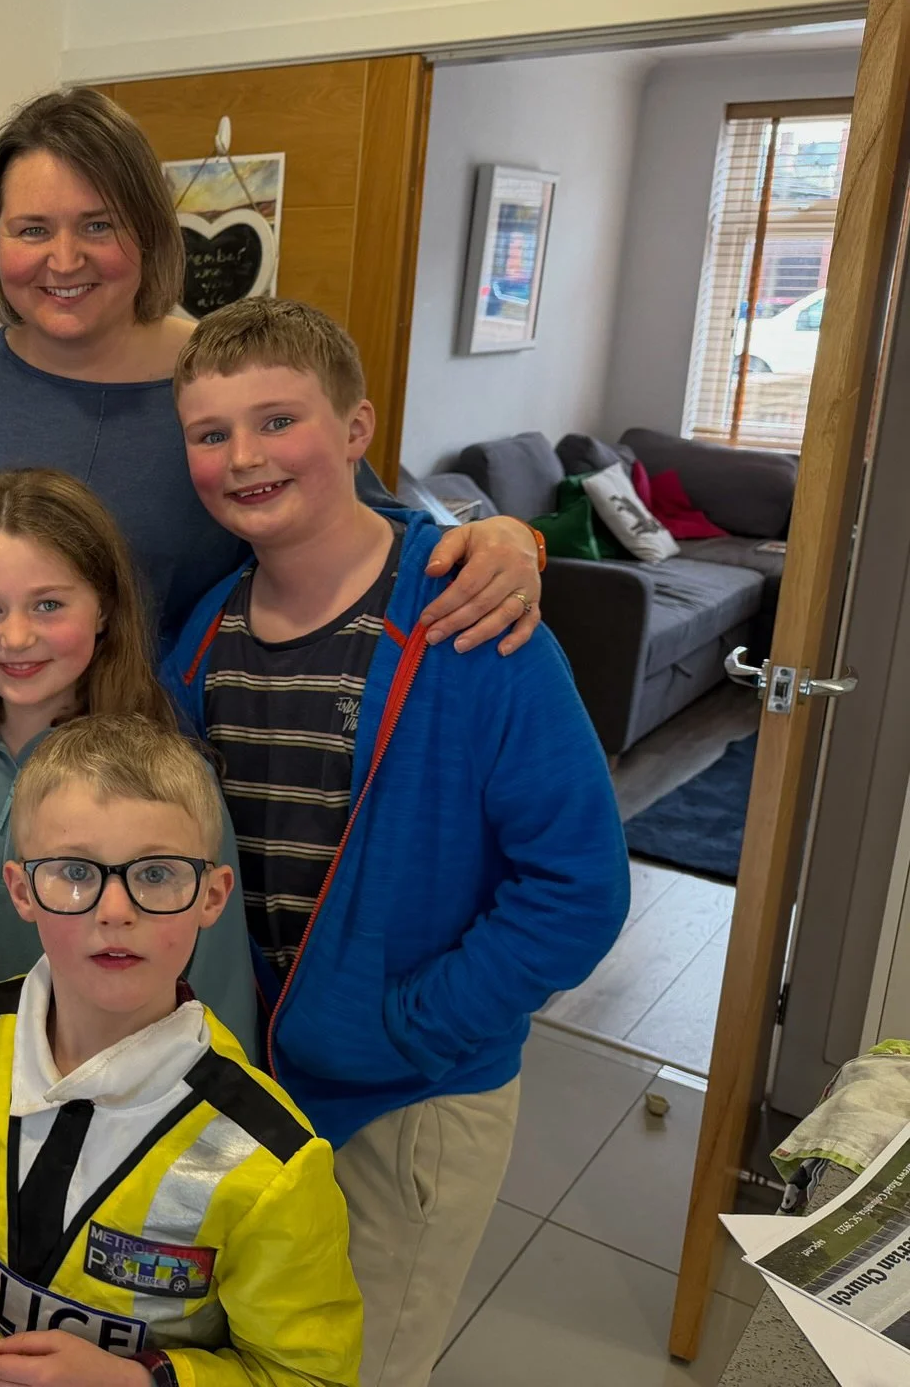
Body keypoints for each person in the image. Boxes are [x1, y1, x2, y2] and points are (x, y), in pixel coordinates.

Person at [158, 297, 629, 1387]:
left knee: (359, 1367)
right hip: (250, 1073)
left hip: (408, 1097)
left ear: (357, 428)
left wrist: (403, 1026)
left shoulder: (472, 622)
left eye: (277, 422)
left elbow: (574, 889)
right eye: (210, 433)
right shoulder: (204, 634)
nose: (244, 458)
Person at [0, 87, 547, 654]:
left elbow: (370, 535)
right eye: (32, 230)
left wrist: (507, 537)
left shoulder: (233, 384)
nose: (64, 261)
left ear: (149, 231)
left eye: (98, 226)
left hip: (167, 773)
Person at [0, 712, 361, 1387]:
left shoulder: (268, 1163)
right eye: (73, 872)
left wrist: (140, 1382)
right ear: (22, 890)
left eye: (156, 875)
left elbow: (309, 1376)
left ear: (211, 895)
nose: (115, 909)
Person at [0, 467, 259, 1052]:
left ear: (104, 608)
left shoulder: (170, 780)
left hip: (123, 1111)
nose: (17, 637)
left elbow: (219, 984)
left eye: (49, 604)